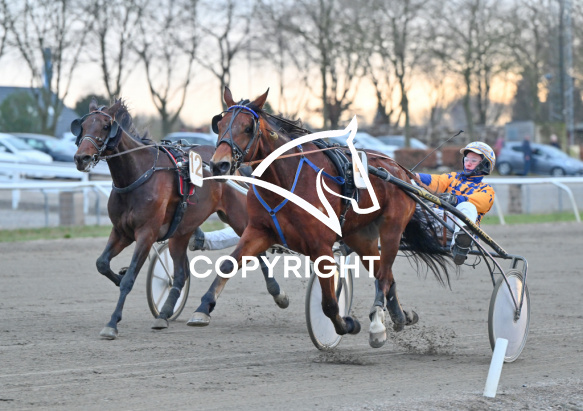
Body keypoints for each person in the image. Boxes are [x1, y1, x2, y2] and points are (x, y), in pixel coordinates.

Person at [416, 142, 496, 265]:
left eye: (473, 160)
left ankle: (461, 245)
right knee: (411, 199)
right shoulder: (453, 177)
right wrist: (411, 176)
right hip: (434, 222)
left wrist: (455, 200)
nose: (468, 163)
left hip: (454, 227)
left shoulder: (486, 190)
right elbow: (436, 180)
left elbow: (479, 201)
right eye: (466, 159)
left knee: (467, 206)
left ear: (485, 165)